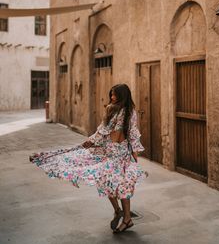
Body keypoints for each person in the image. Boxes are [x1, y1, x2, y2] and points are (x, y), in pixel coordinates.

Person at [30, 83, 146, 233]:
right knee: (105, 182)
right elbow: (103, 130)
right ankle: (118, 211)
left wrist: (134, 155)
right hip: (106, 152)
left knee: (121, 186)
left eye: (115, 95)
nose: (112, 97)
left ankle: (127, 219)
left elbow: (125, 134)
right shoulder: (112, 110)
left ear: (122, 96)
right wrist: (91, 141)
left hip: (120, 155)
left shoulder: (127, 112)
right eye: (111, 94)